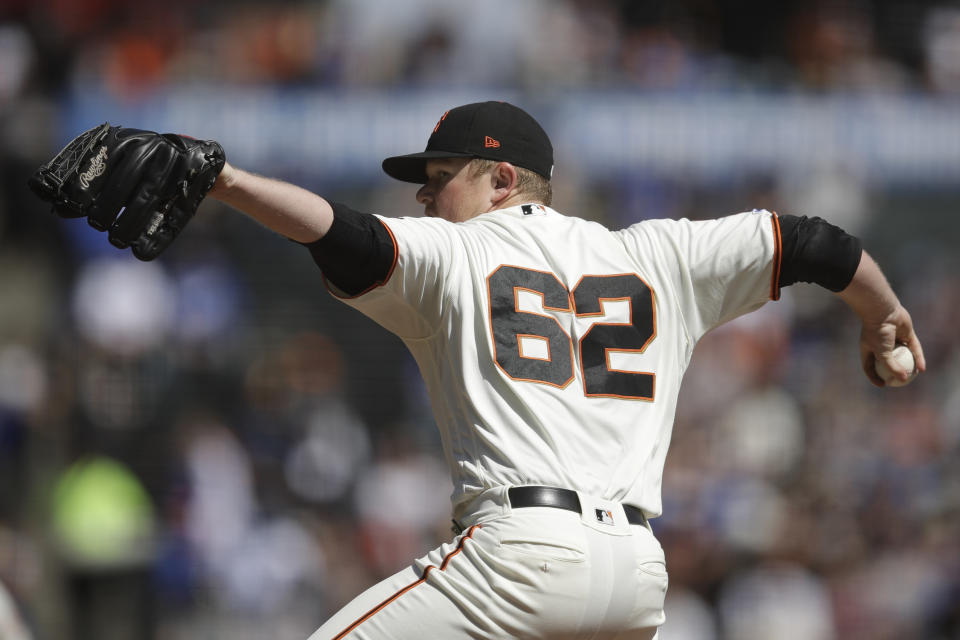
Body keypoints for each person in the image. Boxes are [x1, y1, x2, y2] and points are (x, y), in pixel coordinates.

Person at [215, 101, 924, 638]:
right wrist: (883, 313)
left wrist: (225, 179)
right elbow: (814, 243)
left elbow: (343, 234)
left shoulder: (460, 250)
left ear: (500, 179)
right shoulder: (658, 255)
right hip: (637, 572)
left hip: (518, 559)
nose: (426, 198)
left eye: (439, 178)